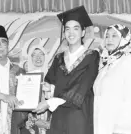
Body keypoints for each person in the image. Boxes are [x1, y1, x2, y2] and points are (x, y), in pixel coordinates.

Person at [32, 6, 99, 134]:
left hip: (79, 116)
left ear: (83, 32)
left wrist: (50, 102)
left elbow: (82, 87)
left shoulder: (92, 56)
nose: (71, 33)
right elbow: (51, 82)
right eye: (67, 29)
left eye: (76, 28)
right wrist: (48, 88)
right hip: (58, 117)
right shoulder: (59, 58)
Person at [93, 24, 131, 134]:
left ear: (123, 39)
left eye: (114, 36)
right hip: (101, 126)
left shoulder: (128, 63)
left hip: (118, 129)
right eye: (107, 36)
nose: (109, 39)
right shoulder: (106, 65)